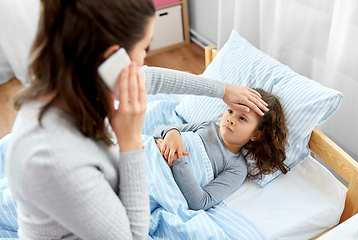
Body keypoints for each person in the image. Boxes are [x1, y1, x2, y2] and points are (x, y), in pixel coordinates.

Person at [5, 0, 268, 239]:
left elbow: (151, 78)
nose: (143, 60)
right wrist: (130, 141)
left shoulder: (80, 82)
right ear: (112, 57)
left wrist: (222, 90)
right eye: (144, 47)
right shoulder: (53, 158)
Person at [154, 88, 289, 211]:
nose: (230, 119)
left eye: (242, 118)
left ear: (256, 134)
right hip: (149, 152)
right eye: (230, 111)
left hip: (159, 179)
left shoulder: (237, 167)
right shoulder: (208, 126)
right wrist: (172, 132)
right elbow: (157, 132)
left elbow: (201, 202)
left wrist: (177, 158)